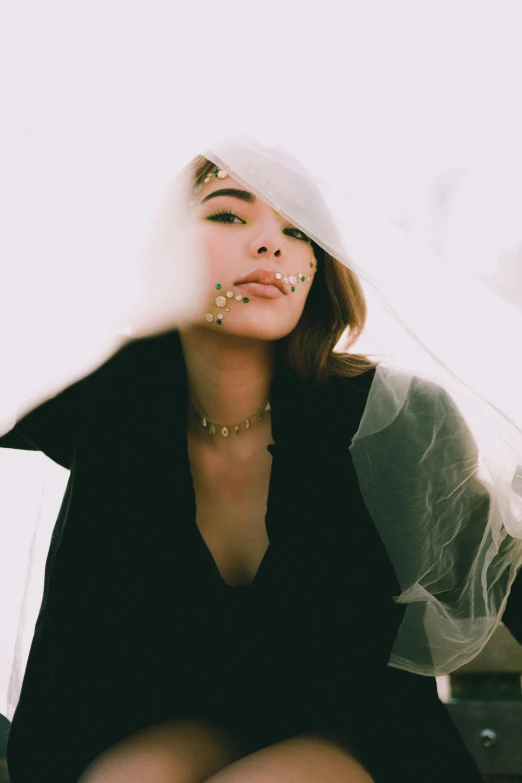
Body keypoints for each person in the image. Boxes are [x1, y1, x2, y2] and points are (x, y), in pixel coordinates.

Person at [1, 144, 521, 783]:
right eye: (227, 216)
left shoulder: (393, 417)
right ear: (163, 247)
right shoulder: (108, 398)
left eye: (298, 231)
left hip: (354, 728)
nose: (271, 246)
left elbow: (500, 568)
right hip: (168, 715)